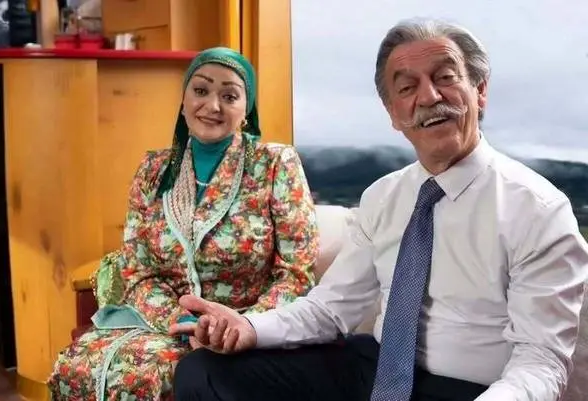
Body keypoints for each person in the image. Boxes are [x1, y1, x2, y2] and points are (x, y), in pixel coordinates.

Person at [170, 19, 588, 401]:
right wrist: (248, 327)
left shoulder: (540, 211)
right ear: (393, 114)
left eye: (445, 77)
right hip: (375, 368)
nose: (429, 97)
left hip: (474, 388)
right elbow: (330, 309)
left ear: (480, 92)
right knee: (204, 372)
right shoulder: (383, 196)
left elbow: (541, 361)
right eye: (407, 88)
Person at [47, 47, 319, 401]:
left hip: (241, 326)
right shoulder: (153, 169)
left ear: (246, 109)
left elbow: (297, 272)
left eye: (229, 96)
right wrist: (181, 320)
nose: (212, 105)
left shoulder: (275, 164)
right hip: (162, 321)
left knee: (151, 378)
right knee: (76, 367)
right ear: (184, 100)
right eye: (201, 90)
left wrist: (240, 327)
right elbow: (137, 270)